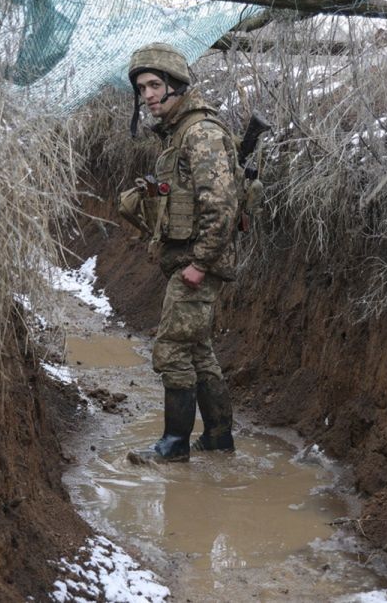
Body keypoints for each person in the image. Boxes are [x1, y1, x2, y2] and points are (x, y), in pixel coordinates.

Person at [124, 42, 238, 464]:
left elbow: (222, 204)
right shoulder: (180, 133)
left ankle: (173, 447)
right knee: (197, 350)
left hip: (199, 264)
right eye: (141, 88)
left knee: (172, 349)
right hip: (192, 260)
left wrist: (200, 263)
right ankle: (218, 438)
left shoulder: (201, 133)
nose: (148, 95)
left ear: (176, 85)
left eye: (155, 85)